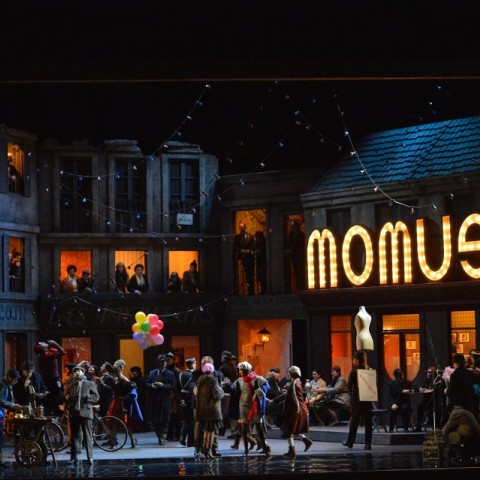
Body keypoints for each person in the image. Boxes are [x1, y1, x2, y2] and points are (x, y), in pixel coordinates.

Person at [231, 361, 271, 456]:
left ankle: (265, 448)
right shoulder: (239, 381)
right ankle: (246, 450)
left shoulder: (257, 379)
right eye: (240, 370)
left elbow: (267, 386)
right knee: (244, 429)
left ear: (248, 370)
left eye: (243, 370)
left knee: (259, 428)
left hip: (255, 406)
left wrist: (257, 393)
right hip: (243, 406)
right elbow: (234, 390)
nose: (241, 372)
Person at [272, 365, 312, 459]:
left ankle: (292, 451)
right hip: (295, 410)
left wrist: (297, 408)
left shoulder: (294, 384)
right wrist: (274, 400)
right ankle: (305, 441)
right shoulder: (296, 382)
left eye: (288, 373)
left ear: (292, 373)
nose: (287, 374)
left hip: (296, 410)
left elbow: (294, 396)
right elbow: (288, 394)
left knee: (289, 431)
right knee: (292, 430)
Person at [64, 365, 100, 464]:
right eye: (75, 371)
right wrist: (66, 398)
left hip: (86, 412)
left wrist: (87, 397)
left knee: (88, 436)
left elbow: (96, 396)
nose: (77, 372)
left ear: (83, 372)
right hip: (74, 412)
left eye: (79, 371)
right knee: (74, 436)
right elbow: (66, 396)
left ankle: (90, 457)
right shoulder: (71, 385)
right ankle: (73, 457)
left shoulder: (90, 383)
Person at [106, 359, 142, 448]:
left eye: (116, 370)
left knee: (127, 423)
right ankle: (113, 441)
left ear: (121, 369)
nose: (115, 372)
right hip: (115, 403)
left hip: (123, 404)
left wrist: (125, 397)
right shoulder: (116, 379)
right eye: (114, 371)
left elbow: (132, 392)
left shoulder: (126, 381)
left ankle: (132, 440)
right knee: (113, 422)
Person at [342, 351, 373, 449]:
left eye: (353, 359)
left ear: (356, 360)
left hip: (357, 399)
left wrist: (352, 395)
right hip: (367, 398)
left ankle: (350, 442)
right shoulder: (369, 370)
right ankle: (368, 444)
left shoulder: (354, 371)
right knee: (368, 422)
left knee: (354, 420)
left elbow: (349, 386)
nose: (353, 361)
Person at [194, 362, 225, 459]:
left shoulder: (200, 380)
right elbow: (217, 395)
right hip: (212, 409)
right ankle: (208, 450)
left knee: (206, 431)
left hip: (202, 409)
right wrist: (222, 391)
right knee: (211, 431)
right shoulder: (213, 379)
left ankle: (205, 449)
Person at [146, 354, 176, 445]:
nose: (164, 364)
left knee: (165, 419)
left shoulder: (170, 374)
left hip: (165, 399)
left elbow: (173, 386)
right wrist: (152, 385)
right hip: (154, 399)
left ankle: (163, 436)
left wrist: (163, 385)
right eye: (162, 362)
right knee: (155, 420)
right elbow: (147, 384)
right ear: (158, 363)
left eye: (165, 362)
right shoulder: (152, 373)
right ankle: (159, 435)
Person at [34, 339, 65, 415]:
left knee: (49, 397)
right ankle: (56, 413)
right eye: (42, 343)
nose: (44, 343)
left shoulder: (41, 356)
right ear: (43, 348)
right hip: (54, 380)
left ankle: (50, 411)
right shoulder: (48, 354)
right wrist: (54, 343)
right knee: (57, 397)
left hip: (46, 380)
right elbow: (63, 352)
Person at [0, 370, 22, 468]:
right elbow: (1, 400)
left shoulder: (7, 386)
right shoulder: (3, 386)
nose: (16, 381)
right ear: (9, 377)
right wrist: (13, 405)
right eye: (15, 379)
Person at [179, 358, 197, 447]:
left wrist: (181, 399)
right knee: (191, 421)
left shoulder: (181, 374)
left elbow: (178, 388)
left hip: (182, 399)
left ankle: (182, 435)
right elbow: (192, 389)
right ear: (192, 364)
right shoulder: (193, 375)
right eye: (195, 363)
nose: (196, 364)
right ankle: (190, 442)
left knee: (186, 420)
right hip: (190, 399)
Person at [232, 222, 255, 295]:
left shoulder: (250, 237)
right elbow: (235, 247)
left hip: (249, 258)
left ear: (245, 228)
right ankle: (242, 291)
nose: (241, 229)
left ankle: (250, 291)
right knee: (242, 275)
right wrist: (241, 250)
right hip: (241, 258)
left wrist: (248, 251)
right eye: (240, 228)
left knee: (250, 275)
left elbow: (253, 246)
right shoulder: (237, 237)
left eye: (242, 228)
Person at [285, 220, 306, 291]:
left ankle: (301, 288)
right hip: (293, 257)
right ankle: (298, 287)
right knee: (296, 272)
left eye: (294, 226)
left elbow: (300, 246)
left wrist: (292, 249)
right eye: (292, 227)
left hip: (300, 257)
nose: (293, 228)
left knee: (300, 272)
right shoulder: (291, 236)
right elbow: (289, 244)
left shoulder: (301, 235)